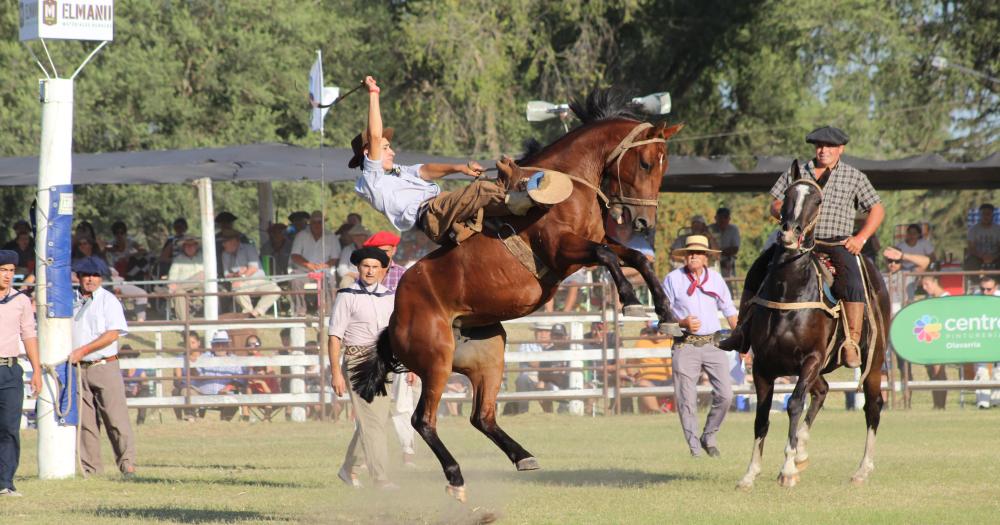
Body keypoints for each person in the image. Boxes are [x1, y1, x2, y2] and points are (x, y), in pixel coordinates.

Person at [721, 126, 884, 370]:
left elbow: (877, 209)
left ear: (841, 149)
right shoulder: (798, 172)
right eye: (819, 145)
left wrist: (860, 238)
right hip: (797, 242)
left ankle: (850, 341)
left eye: (829, 146)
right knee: (757, 269)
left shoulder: (854, 176)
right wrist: (786, 213)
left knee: (852, 283)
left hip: (835, 243)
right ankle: (742, 331)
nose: (823, 150)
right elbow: (775, 203)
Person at [352, 76, 556, 245]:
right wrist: (373, 93)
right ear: (369, 152)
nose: (392, 152)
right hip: (433, 215)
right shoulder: (372, 178)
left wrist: (460, 168)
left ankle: (526, 204)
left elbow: (426, 170)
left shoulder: (396, 170)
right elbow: (375, 137)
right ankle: (528, 195)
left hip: (444, 209)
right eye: (386, 148)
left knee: (496, 187)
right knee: (479, 190)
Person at [328, 246, 398, 489]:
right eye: (366, 266)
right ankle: (381, 478)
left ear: (383, 270)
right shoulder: (347, 295)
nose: (370, 271)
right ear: (359, 268)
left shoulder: (390, 297)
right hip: (357, 360)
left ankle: (348, 468)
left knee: (377, 419)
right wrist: (336, 372)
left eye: (375, 267)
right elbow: (335, 335)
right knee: (373, 421)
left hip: (382, 361)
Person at [663, 235, 738, 457]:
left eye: (698, 253)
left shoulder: (715, 280)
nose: (693, 256)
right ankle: (695, 449)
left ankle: (709, 435)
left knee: (726, 395)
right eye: (689, 252)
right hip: (685, 345)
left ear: (706, 258)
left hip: (713, 343)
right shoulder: (672, 279)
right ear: (685, 256)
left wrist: (744, 343)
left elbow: (730, 312)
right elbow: (662, 317)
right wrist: (682, 323)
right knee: (686, 399)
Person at [69, 256, 137, 478]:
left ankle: (127, 465)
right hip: (79, 368)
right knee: (86, 422)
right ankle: (92, 470)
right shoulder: (70, 301)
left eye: (95, 275)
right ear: (78, 277)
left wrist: (83, 350)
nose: (90, 279)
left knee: (116, 418)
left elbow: (112, 334)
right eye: (86, 275)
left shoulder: (108, 301)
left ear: (101, 278)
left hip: (104, 365)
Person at [0, 250, 41, 496]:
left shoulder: (21, 301)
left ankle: (5, 481)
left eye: (12, 271)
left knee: (9, 427)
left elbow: (29, 335)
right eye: (3, 270)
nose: (8, 275)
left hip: (10, 369)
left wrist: (36, 370)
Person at [184, 330, 248, 421]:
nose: (220, 347)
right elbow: (196, 375)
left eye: (223, 344)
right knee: (186, 390)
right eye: (217, 344)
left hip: (225, 393)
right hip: (203, 393)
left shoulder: (235, 360)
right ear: (213, 345)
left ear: (228, 345)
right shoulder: (204, 357)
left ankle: (225, 421)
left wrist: (228, 387)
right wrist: (192, 365)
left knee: (234, 396)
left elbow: (240, 380)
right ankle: (192, 419)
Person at [289, 211, 341, 316]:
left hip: (323, 270)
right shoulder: (301, 235)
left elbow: (335, 257)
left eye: (319, 222)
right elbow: (295, 255)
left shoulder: (331, 237)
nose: (317, 224)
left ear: (323, 223)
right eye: (314, 222)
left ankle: (326, 310)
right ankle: (300, 310)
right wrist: (308, 265)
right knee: (295, 279)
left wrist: (325, 265)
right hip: (304, 270)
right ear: (310, 223)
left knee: (328, 279)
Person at [220, 231, 281, 318]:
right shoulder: (225, 254)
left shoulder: (249, 248)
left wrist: (243, 276)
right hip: (240, 283)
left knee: (276, 290)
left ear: (235, 241)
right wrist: (236, 274)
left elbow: (253, 268)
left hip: (258, 280)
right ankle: (247, 313)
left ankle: (256, 312)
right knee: (236, 288)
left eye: (225, 242)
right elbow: (226, 274)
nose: (223, 244)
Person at [503, 322, 556, 415]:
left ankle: (550, 413)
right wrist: (550, 364)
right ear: (535, 332)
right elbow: (534, 363)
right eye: (540, 331)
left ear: (552, 333)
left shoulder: (556, 345)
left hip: (549, 378)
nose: (543, 334)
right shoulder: (527, 344)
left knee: (552, 382)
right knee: (522, 379)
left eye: (547, 331)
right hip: (530, 377)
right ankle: (523, 412)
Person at [919, 272, 950, 409]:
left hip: (941, 340)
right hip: (930, 339)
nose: (925, 288)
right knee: (932, 372)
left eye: (927, 284)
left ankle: (940, 404)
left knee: (939, 372)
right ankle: (936, 404)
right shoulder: (929, 298)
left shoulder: (945, 298)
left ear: (935, 282)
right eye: (923, 285)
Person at [629, 324, 673, 414]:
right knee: (643, 384)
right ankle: (656, 412)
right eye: (654, 331)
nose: (657, 334)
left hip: (670, 379)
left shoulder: (673, 341)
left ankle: (680, 411)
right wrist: (631, 375)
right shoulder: (642, 343)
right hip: (648, 379)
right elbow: (629, 363)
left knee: (682, 382)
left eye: (661, 331)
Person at [167, 235, 205, 320]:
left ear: (196, 246)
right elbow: (172, 278)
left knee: (201, 275)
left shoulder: (204, 257)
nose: (190, 247)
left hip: (203, 286)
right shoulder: (178, 260)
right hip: (184, 290)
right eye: (187, 245)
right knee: (179, 292)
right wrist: (173, 285)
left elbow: (209, 274)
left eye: (192, 245)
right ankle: (185, 324)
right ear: (183, 247)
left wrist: (176, 287)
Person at [965, 203, 1000, 275]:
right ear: (980, 215)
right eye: (983, 214)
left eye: (988, 214)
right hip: (978, 256)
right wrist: (982, 256)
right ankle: (976, 282)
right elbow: (971, 248)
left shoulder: (998, 229)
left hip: (996, 256)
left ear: (992, 215)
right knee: (971, 261)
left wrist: (993, 257)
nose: (986, 216)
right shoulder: (973, 230)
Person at [709, 207, 741, 281]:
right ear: (715, 218)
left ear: (729, 218)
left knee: (728, 282)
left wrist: (717, 252)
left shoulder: (733, 229)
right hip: (711, 261)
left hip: (727, 261)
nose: (723, 220)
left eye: (725, 217)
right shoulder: (710, 229)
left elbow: (735, 249)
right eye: (720, 218)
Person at [336, 224, 373, 288]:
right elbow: (341, 269)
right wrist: (355, 275)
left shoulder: (372, 249)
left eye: (361, 235)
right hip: (351, 276)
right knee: (345, 284)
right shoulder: (347, 249)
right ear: (352, 237)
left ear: (366, 236)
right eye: (356, 235)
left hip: (370, 275)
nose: (358, 238)